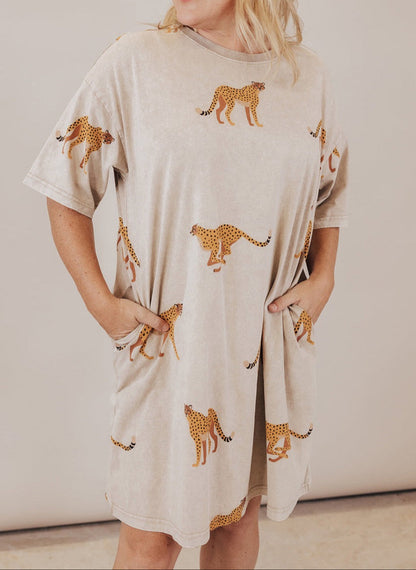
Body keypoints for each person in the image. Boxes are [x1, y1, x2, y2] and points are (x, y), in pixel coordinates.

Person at [22, 0, 349, 568]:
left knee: (238, 519)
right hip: (168, 347)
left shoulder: (307, 76)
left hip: (265, 345)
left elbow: (330, 193)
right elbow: (63, 179)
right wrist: (100, 303)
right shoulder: (136, 61)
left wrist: (325, 277)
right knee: (155, 535)